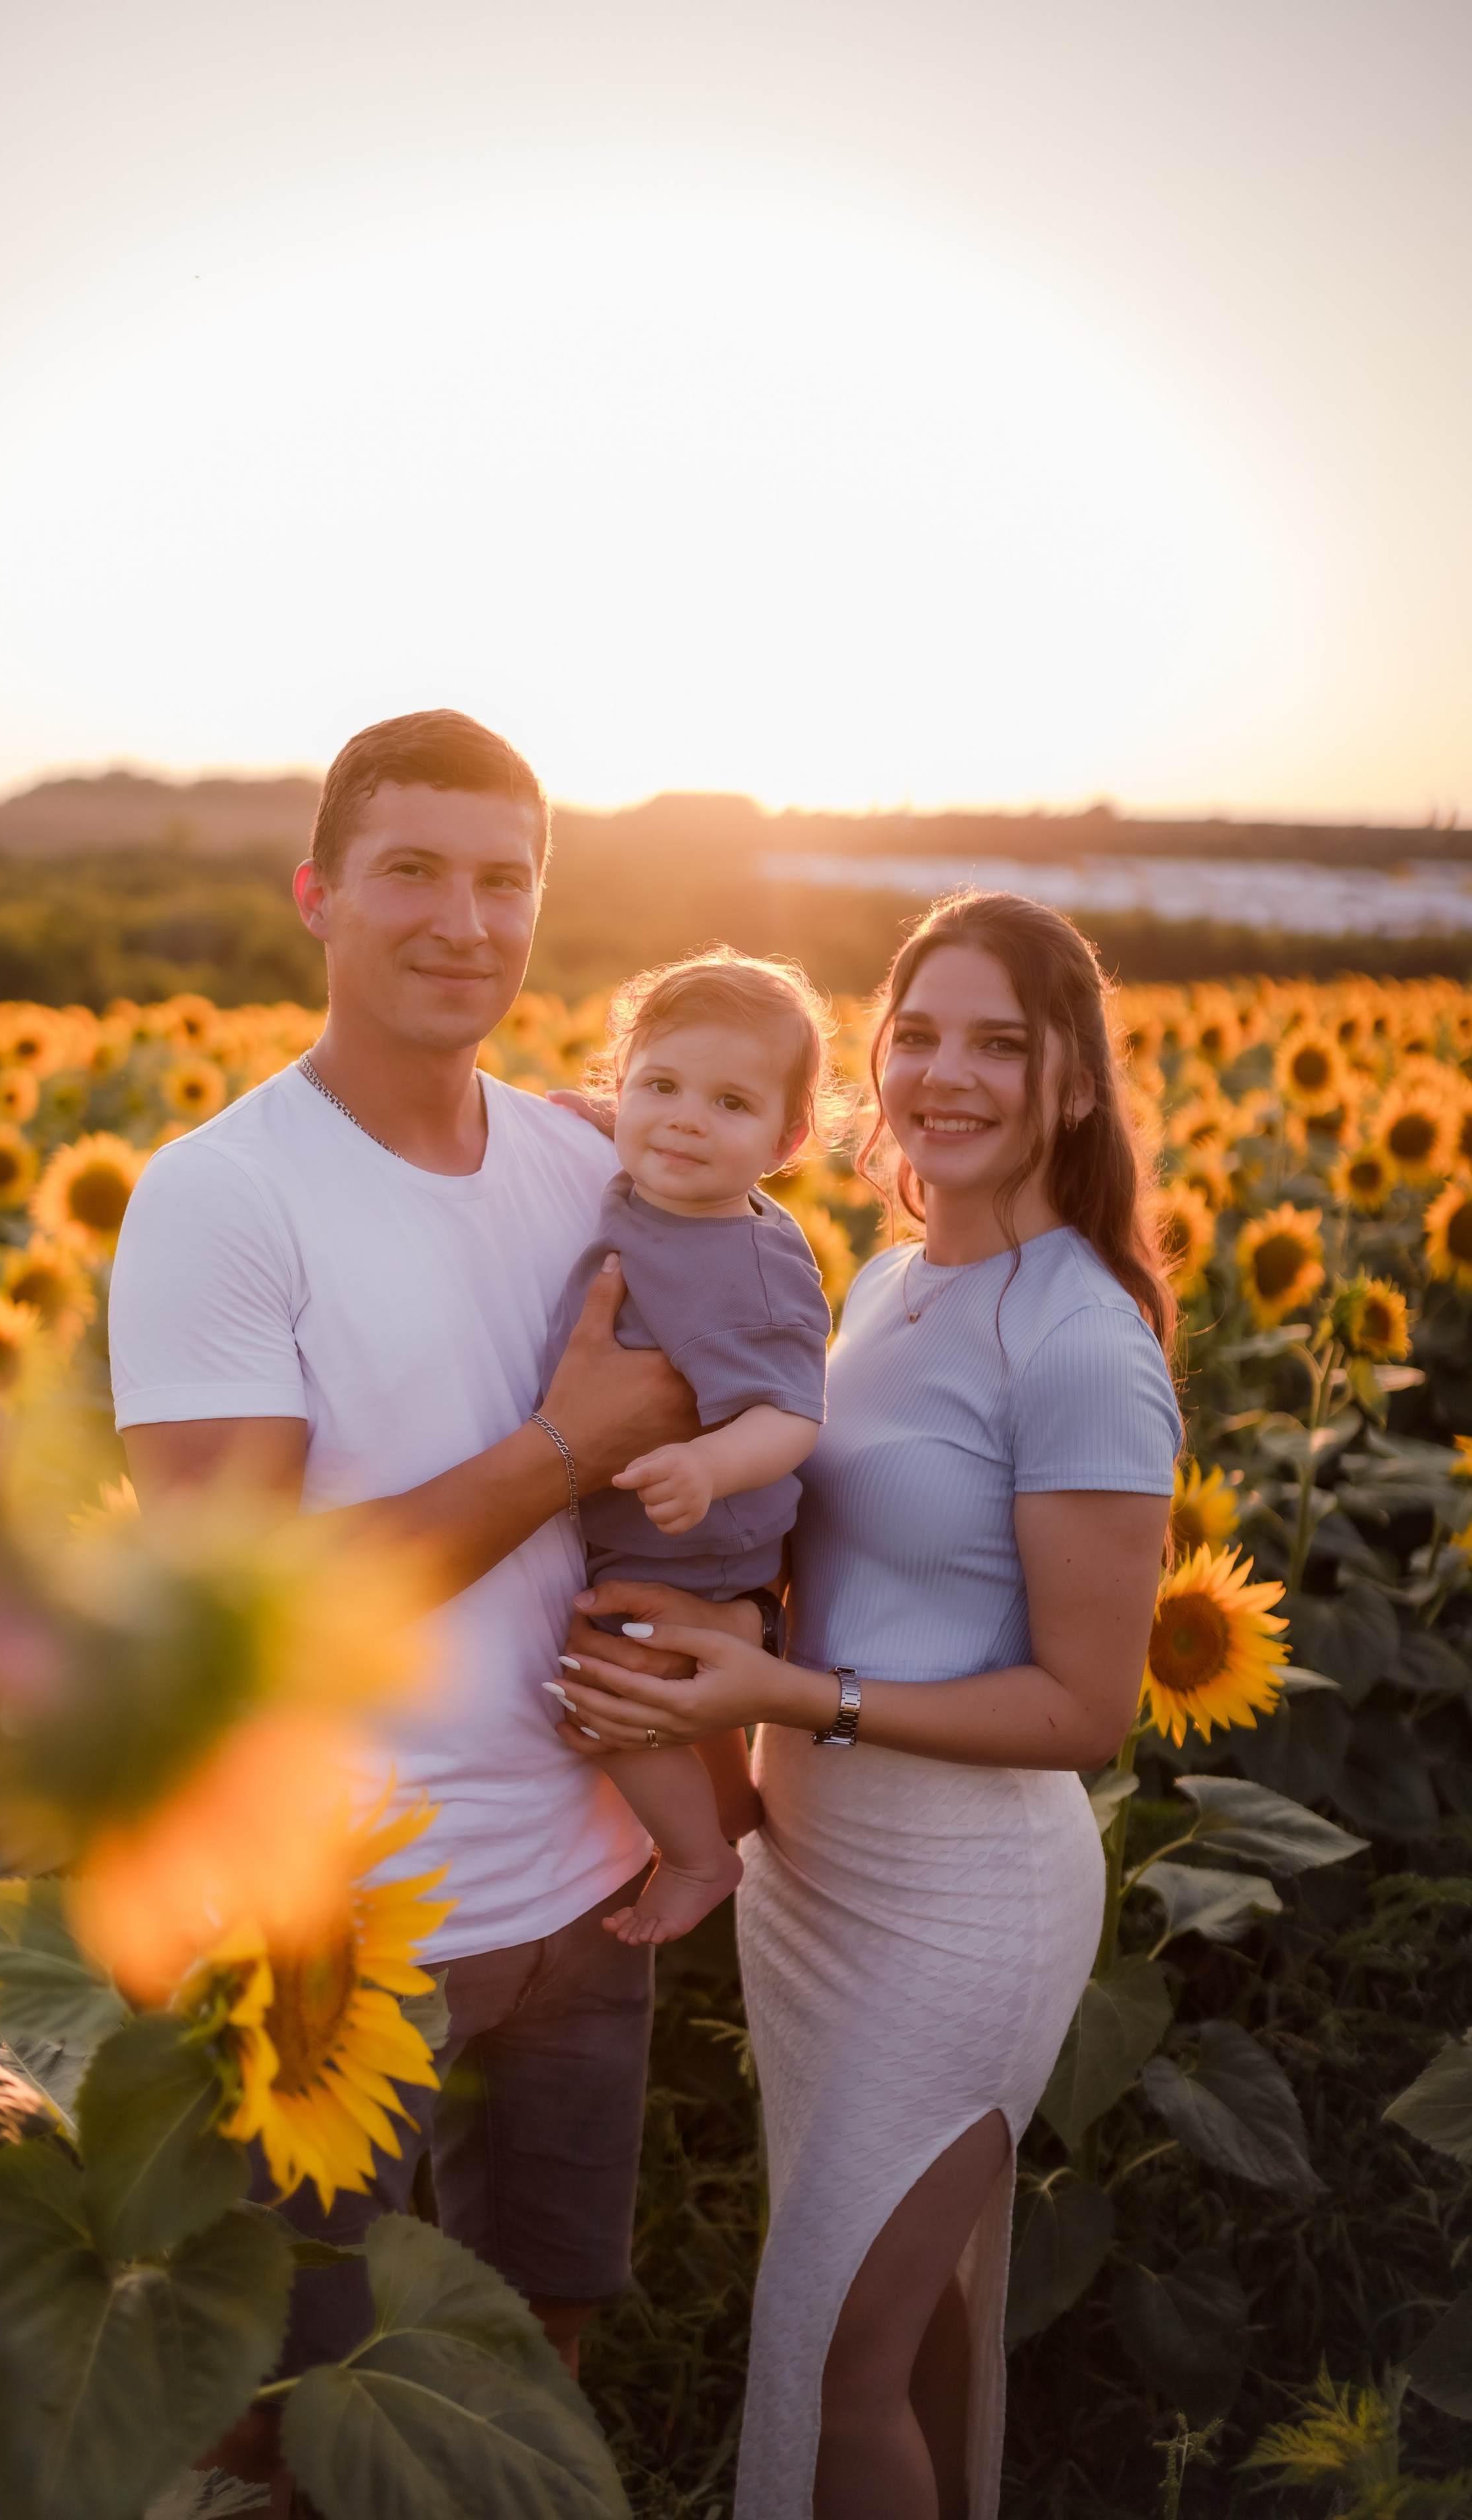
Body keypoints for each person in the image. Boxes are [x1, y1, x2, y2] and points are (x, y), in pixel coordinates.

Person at [106, 711, 702, 2457]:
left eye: (504, 879)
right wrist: (563, 1448)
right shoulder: (219, 1199)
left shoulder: (587, 1167)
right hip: (340, 1927)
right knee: (317, 2400)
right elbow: (242, 1613)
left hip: (591, 1887)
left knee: (547, 2340)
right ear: (318, 896)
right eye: (414, 873)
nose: (465, 919)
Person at [551, 889, 1182, 2520]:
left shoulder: (1081, 1340)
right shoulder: (890, 1281)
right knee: (904, 2319)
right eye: (914, 1035)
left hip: (961, 1901)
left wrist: (781, 1692)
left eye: (997, 1042)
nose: (943, 1074)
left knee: (830, 2353)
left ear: (1073, 1081)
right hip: (809, 1886)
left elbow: (1080, 1711)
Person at [542, 950, 833, 1946]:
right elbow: (643, 1123)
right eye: (658, 1086)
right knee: (653, 1684)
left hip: (693, 1539)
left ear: (787, 1137)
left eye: (728, 1104)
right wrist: (585, 1120)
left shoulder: (747, 1269)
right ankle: (732, 1805)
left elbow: (793, 1415)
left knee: (601, 1693)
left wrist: (707, 1467)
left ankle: (700, 1855)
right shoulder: (661, 1181)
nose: (683, 1120)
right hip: (648, 1514)